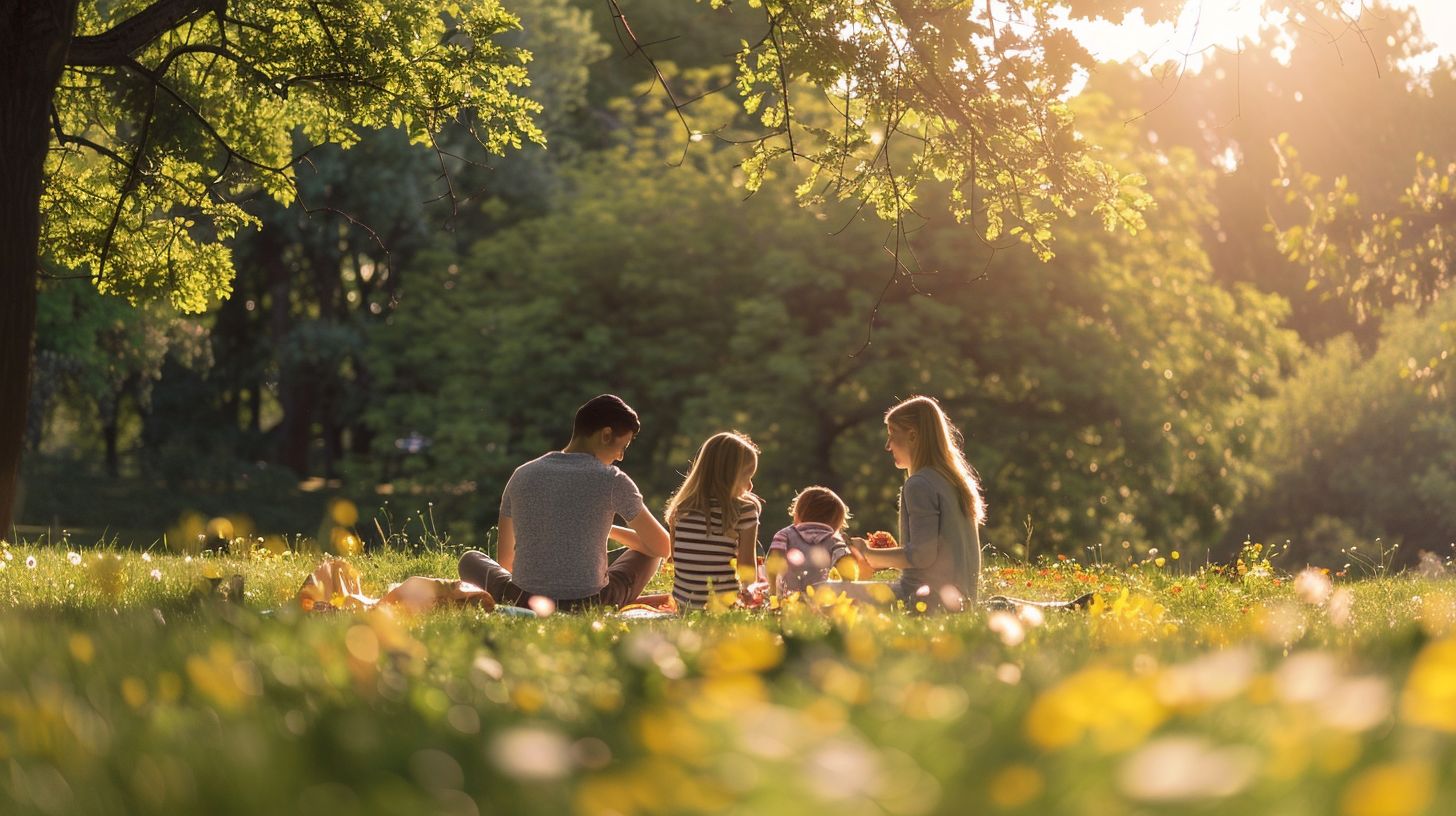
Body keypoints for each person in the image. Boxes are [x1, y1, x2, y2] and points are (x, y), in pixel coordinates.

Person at [457, 395, 671, 611]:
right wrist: (609, 531)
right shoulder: (613, 479)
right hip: (590, 604)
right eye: (623, 446)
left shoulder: (521, 474)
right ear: (606, 435)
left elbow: (505, 562)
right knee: (650, 552)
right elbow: (663, 547)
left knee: (470, 559)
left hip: (522, 600)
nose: (621, 456)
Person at [837, 395, 984, 612]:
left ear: (913, 435)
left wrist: (867, 553)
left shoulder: (919, 484)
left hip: (924, 601)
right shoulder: (956, 481)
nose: (887, 445)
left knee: (824, 592)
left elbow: (922, 555)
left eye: (892, 434)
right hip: (962, 603)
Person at [663, 432, 762, 610]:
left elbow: (678, 561)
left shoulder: (680, 509)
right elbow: (746, 568)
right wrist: (751, 593)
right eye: (747, 477)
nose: (750, 486)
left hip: (684, 605)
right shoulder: (745, 510)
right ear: (730, 476)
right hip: (724, 606)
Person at [766, 486, 861, 596]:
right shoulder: (834, 540)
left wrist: (773, 591)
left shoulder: (784, 535)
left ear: (796, 515)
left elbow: (772, 563)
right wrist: (848, 592)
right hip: (822, 598)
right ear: (837, 525)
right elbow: (848, 570)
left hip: (788, 598)